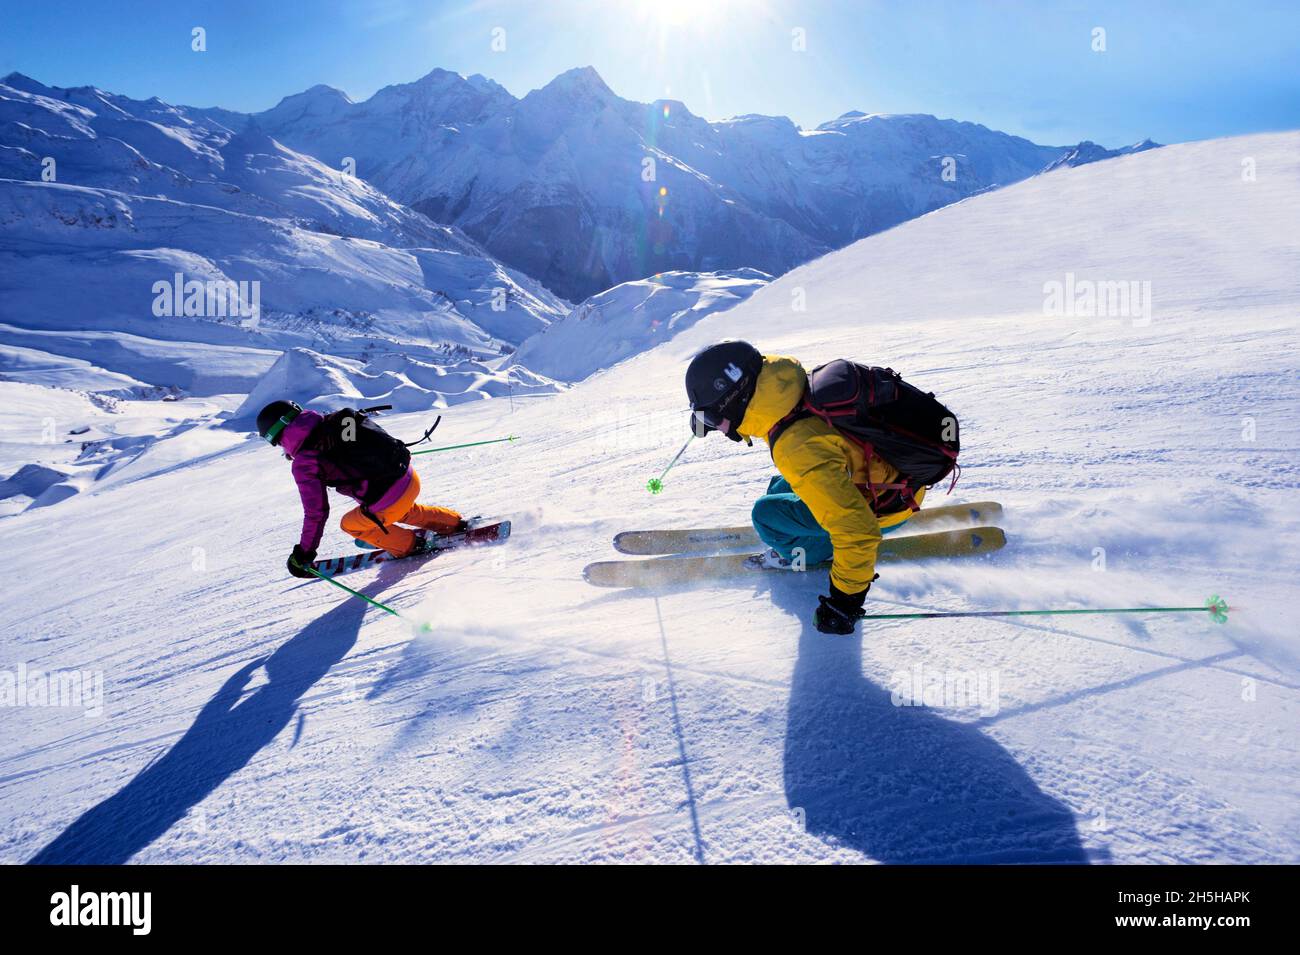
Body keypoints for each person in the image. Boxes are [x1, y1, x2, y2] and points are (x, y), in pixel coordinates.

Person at [685, 341, 930, 635]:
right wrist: (711, 417)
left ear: (734, 401)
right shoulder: (785, 386)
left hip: (884, 507)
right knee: (778, 486)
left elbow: (858, 531)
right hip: (893, 480)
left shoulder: (795, 446)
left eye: (711, 419)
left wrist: (845, 602)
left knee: (765, 516)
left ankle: (805, 553)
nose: (716, 429)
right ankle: (813, 530)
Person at [256, 401, 464, 578]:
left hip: (388, 498)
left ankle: (410, 545)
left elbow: (316, 513)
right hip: (408, 477)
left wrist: (305, 553)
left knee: (351, 525)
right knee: (402, 510)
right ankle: (453, 522)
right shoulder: (334, 421)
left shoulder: (305, 462)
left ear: (278, 434)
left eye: (277, 443)